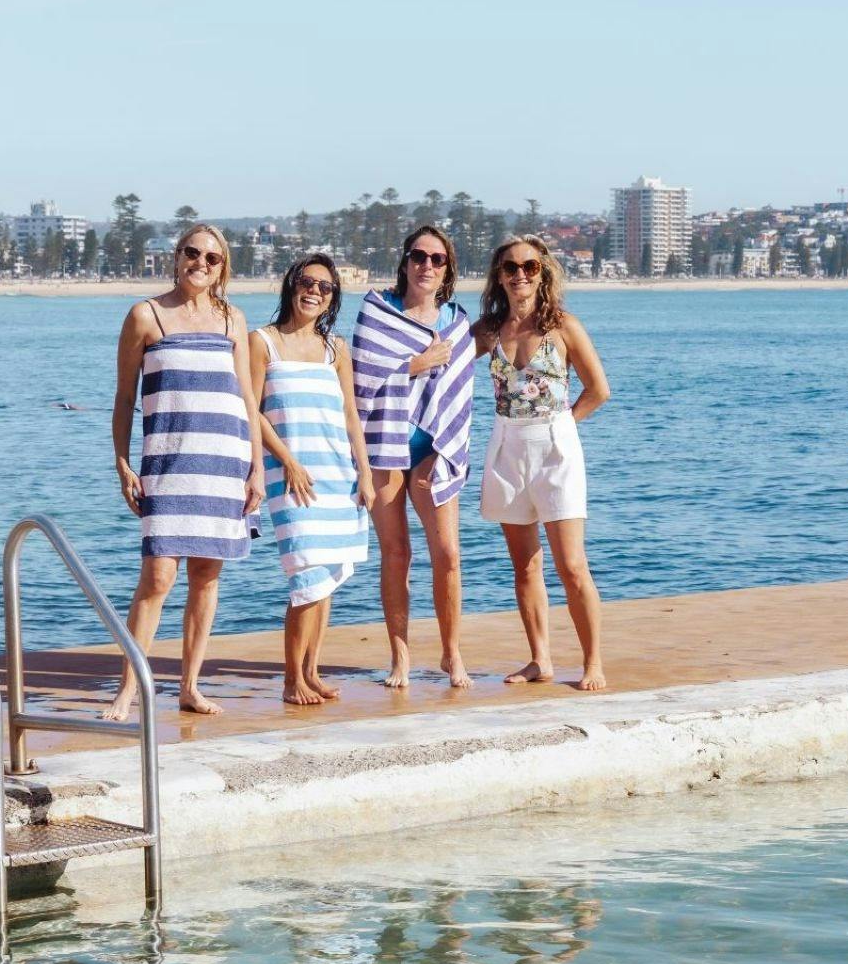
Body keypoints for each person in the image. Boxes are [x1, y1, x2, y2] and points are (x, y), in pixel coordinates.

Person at [104, 225, 265, 720]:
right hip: (169, 466)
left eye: (212, 258)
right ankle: (128, 690)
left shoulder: (231, 319)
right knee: (156, 578)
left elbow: (247, 399)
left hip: (224, 464)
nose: (201, 263)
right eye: (192, 253)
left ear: (223, 267)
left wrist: (257, 466)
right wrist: (122, 460)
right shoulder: (145, 315)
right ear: (176, 258)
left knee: (205, 578)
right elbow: (126, 398)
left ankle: (190, 687)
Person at [473, 235, 610, 690]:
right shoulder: (489, 331)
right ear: (499, 275)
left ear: (543, 272)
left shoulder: (563, 326)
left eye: (529, 267)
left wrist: (564, 426)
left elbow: (598, 390)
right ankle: (540, 660)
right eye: (510, 268)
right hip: (506, 444)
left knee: (571, 564)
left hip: (555, 446)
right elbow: (443, 365)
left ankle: (592, 662)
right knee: (525, 566)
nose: (520, 275)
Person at [351, 226, 476, 689]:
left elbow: (461, 392)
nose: (427, 265)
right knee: (395, 553)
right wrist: (413, 365)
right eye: (419, 256)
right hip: (385, 443)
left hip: (433, 446)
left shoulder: (457, 322)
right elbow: (358, 382)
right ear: (404, 263)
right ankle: (399, 657)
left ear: (447, 270)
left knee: (447, 553)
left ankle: (451, 654)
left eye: (437, 259)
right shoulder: (377, 312)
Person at [249, 254, 376, 705]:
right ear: (291, 285)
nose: (315, 292)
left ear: (332, 299)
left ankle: (311, 671)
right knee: (306, 578)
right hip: (293, 478)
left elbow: (350, 415)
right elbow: (253, 410)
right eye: (307, 282)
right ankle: (290, 679)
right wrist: (288, 461)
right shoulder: (262, 342)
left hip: (338, 475)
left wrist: (364, 473)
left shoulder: (335, 349)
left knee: (327, 579)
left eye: (325, 288)